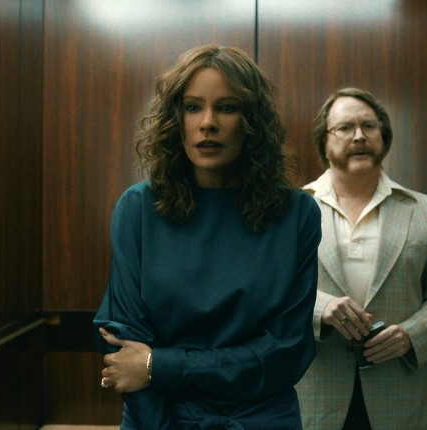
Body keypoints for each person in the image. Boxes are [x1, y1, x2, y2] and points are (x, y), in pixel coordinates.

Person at [93, 44, 322, 429]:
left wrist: (160, 365)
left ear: (252, 121)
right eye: (192, 107)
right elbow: (123, 343)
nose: (208, 123)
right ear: (175, 119)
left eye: (227, 107)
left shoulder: (297, 214)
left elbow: (286, 351)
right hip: (158, 417)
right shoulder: (138, 208)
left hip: (262, 419)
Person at [295, 87, 427, 429]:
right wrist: (320, 308)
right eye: (345, 127)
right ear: (323, 142)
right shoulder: (294, 210)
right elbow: (270, 292)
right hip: (316, 393)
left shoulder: (422, 210)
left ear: (383, 136)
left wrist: (410, 335)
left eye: (369, 126)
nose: (359, 135)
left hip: (399, 395)